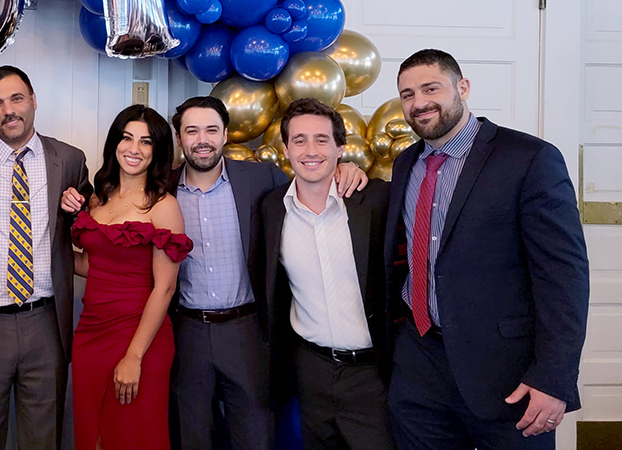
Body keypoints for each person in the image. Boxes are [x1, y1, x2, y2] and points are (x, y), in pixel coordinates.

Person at [385, 49, 589, 450]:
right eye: (407, 94)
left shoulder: (529, 159)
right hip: (420, 365)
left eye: (431, 88)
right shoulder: (405, 163)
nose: (419, 102)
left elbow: (564, 278)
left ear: (462, 88)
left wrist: (554, 377)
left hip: (507, 373)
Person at [168, 96, 367, 450]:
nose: (202, 139)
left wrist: (346, 167)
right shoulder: (162, 189)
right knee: (192, 431)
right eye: (192, 130)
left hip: (248, 330)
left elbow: (312, 181)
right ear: (179, 137)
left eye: (211, 129)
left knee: (257, 432)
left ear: (225, 134)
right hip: (187, 331)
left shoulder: (261, 177)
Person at [0, 65, 90, 450]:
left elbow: (89, 223)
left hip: (45, 322)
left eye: (16, 98)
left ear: (33, 100)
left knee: (44, 437)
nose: (7, 110)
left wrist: (77, 209)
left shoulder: (70, 159)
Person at [256, 98, 393, 450]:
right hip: (311, 370)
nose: (310, 150)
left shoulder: (375, 200)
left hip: (373, 373)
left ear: (340, 148)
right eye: (299, 140)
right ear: (285, 149)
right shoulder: (271, 208)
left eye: (321, 139)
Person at [59, 104, 192, 450]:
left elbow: (165, 288)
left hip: (140, 337)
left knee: (133, 436)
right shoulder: (97, 198)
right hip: (90, 334)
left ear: (158, 151)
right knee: (94, 435)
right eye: (127, 138)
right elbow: (92, 266)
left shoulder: (164, 206)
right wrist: (45, 253)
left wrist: (134, 356)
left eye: (146, 142)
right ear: (114, 143)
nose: (134, 149)